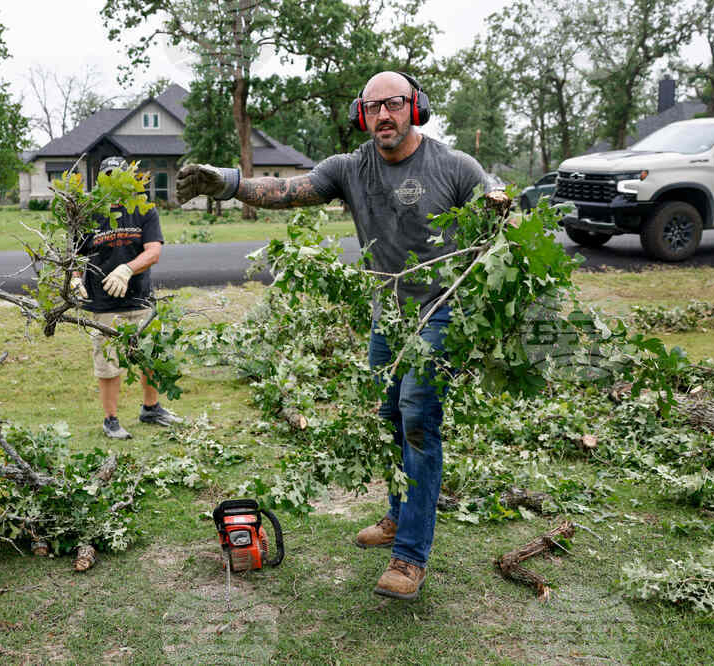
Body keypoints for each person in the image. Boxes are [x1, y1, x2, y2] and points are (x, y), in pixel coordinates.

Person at [177, 71, 502, 600]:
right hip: (387, 316)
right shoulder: (351, 168)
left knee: (418, 422)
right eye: (372, 107)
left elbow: (494, 199)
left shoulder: (454, 165)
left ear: (415, 106)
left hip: (440, 311)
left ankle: (410, 557)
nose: (383, 116)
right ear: (360, 115)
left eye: (393, 104)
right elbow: (286, 190)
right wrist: (229, 183)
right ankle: (397, 516)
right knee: (389, 418)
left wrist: (498, 200)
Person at [77, 156, 180, 440]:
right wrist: (73, 279)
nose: (113, 182)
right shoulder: (88, 213)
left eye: (118, 176)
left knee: (150, 356)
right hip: (103, 302)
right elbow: (75, 254)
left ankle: (151, 408)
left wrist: (127, 269)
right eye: (107, 176)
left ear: (128, 179)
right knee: (108, 363)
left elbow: (153, 251)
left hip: (139, 298)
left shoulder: (143, 209)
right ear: (100, 180)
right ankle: (110, 420)